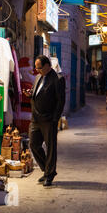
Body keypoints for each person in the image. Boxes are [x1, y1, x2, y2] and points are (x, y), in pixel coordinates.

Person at [22, 55, 65, 187]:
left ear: (47, 66)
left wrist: (55, 118)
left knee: (51, 147)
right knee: (34, 145)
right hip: (35, 118)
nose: (36, 70)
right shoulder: (38, 77)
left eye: (39, 67)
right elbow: (38, 93)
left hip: (48, 119)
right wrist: (30, 94)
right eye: (36, 67)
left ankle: (49, 174)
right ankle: (47, 170)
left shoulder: (58, 79)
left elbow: (60, 100)